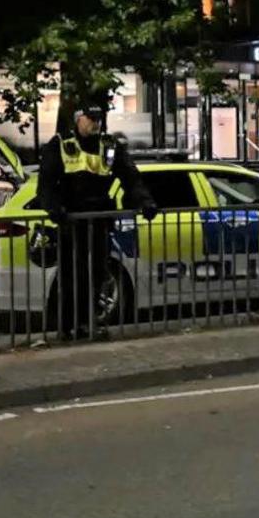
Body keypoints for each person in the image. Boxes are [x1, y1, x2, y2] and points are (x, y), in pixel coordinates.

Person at [37, 100, 157, 341]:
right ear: (78, 119)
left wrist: (145, 202)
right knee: (71, 276)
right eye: (90, 119)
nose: (95, 123)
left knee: (97, 275)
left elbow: (130, 177)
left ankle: (87, 324)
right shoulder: (61, 145)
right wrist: (53, 208)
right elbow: (46, 183)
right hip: (71, 221)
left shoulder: (109, 146)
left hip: (99, 220)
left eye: (99, 119)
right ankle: (66, 328)